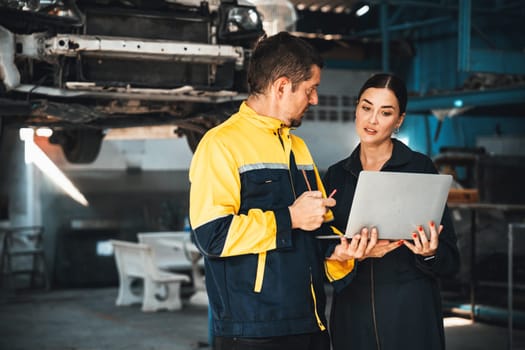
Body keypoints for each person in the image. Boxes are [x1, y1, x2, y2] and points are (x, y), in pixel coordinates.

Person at [188, 31, 374, 350]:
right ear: (282, 86)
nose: (315, 99)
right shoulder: (221, 145)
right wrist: (289, 217)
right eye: (311, 89)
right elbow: (211, 235)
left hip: (310, 322)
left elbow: (310, 235)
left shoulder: (298, 147)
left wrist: (338, 254)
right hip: (252, 332)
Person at [324, 73, 461, 350]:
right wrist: (342, 252)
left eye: (385, 112)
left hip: (410, 313)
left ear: (399, 120)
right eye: (366, 107)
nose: (372, 120)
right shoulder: (336, 176)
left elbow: (450, 260)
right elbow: (320, 250)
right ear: (356, 108)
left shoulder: (420, 169)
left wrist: (429, 253)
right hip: (353, 314)